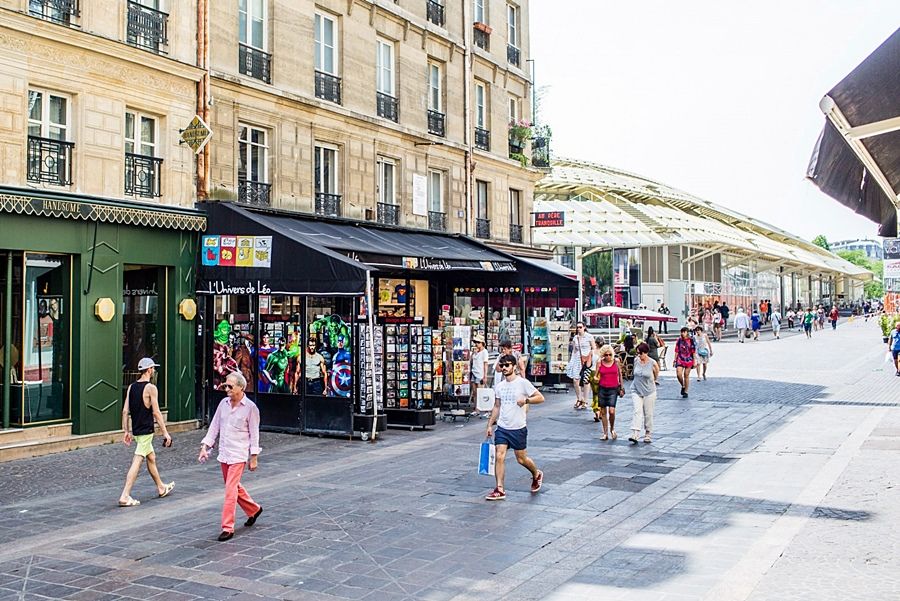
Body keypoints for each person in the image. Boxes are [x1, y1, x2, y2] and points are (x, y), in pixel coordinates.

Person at [199, 371, 263, 542]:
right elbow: (214, 427)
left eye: (230, 386)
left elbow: (254, 434)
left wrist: (254, 456)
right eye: (225, 385)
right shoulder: (223, 404)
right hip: (224, 454)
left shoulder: (250, 408)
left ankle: (228, 527)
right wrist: (205, 447)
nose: (226, 389)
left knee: (230, 490)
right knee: (234, 487)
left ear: (241, 388)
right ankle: (254, 509)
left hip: (238, 455)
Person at [484, 355, 545, 501]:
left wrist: (526, 400)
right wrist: (490, 425)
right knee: (499, 455)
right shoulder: (499, 386)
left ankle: (536, 474)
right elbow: (497, 406)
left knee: (521, 459)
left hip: (518, 427)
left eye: (507, 365)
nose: (504, 368)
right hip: (503, 427)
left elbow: (541, 398)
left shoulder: (523, 383)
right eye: (502, 365)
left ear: (514, 366)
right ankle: (499, 489)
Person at [118, 358, 174, 507]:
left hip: (136, 430)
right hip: (146, 430)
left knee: (151, 457)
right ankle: (125, 495)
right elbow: (156, 412)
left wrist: (126, 431)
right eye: (153, 368)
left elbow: (125, 411)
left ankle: (161, 487)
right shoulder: (151, 388)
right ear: (149, 370)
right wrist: (165, 433)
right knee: (137, 460)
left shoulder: (131, 387)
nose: (154, 371)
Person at [628, 343, 659, 444]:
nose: (638, 356)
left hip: (649, 391)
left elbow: (656, 374)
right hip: (636, 389)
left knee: (648, 413)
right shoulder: (636, 360)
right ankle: (635, 433)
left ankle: (648, 433)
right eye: (637, 354)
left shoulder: (652, 363)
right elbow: (634, 373)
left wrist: (653, 380)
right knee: (637, 411)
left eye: (640, 353)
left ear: (646, 353)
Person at [590, 344, 623, 440]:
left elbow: (620, 375)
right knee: (603, 412)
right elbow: (596, 375)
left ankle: (612, 429)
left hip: (613, 388)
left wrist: (621, 387)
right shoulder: (599, 362)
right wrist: (595, 379)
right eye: (606, 355)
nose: (608, 356)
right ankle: (605, 433)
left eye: (609, 354)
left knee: (612, 411)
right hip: (602, 388)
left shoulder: (616, 362)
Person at [565, 322, 595, 410]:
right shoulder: (575, 338)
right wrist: (571, 361)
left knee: (586, 380)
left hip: (587, 360)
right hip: (577, 359)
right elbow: (574, 350)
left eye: (580, 327)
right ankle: (579, 398)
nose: (578, 329)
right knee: (575, 380)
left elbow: (593, 348)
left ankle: (585, 400)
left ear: (584, 327)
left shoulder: (589, 336)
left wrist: (591, 357)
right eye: (577, 327)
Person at [673, 327, 696, 399]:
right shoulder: (679, 340)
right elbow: (676, 350)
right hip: (680, 358)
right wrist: (674, 359)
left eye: (684, 332)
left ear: (687, 333)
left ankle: (686, 391)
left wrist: (694, 361)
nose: (682, 333)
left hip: (689, 359)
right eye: (681, 332)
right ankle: (683, 385)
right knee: (678, 373)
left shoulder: (691, 340)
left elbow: (693, 351)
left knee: (686, 375)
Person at [470, 335, 490, 415]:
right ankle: (476, 409)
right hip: (474, 373)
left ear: (482, 343)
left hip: (480, 374)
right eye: (475, 342)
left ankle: (486, 409)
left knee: (481, 392)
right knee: (475, 392)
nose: (476, 344)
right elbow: (471, 361)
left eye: (478, 342)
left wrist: (485, 376)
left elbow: (485, 364)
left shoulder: (484, 352)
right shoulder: (475, 352)